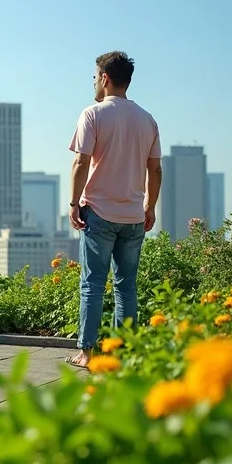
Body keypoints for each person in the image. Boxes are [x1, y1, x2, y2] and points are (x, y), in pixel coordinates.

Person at [65, 51, 161, 367]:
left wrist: (73, 202)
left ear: (105, 78)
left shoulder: (93, 115)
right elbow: (155, 170)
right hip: (134, 216)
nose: (93, 82)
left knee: (92, 284)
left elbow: (80, 162)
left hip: (99, 213)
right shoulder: (147, 120)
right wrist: (150, 207)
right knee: (126, 287)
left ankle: (86, 352)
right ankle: (124, 352)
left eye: (94, 76)